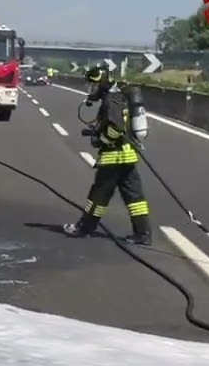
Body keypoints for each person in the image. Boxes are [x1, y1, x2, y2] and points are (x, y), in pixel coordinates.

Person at [62, 63, 152, 245]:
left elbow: (116, 128)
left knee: (98, 197)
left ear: (102, 83)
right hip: (128, 157)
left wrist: (100, 139)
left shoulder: (110, 101)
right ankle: (143, 234)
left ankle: (83, 228)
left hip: (113, 157)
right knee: (135, 198)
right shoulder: (119, 97)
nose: (92, 89)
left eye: (94, 84)